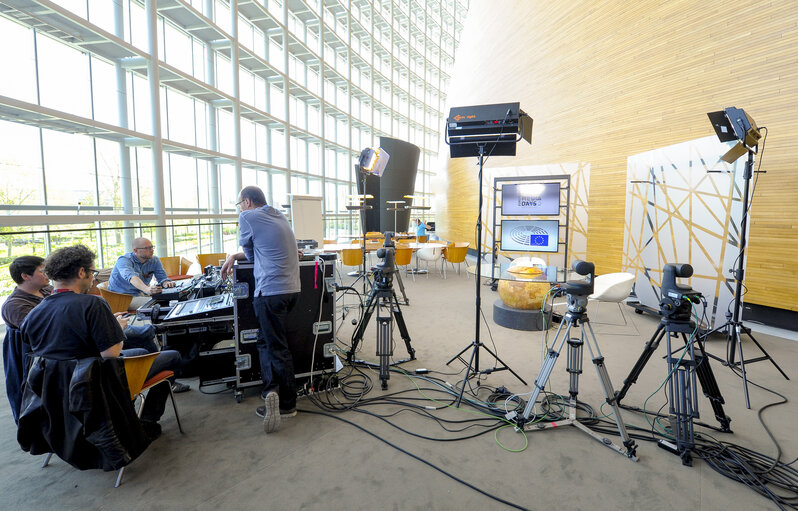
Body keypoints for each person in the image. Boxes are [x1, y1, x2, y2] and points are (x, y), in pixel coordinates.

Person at [20, 245, 182, 440]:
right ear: (81, 272)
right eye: (92, 272)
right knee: (172, 356)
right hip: (97, 381)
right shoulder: (93, 304)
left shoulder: (34, 313)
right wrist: (117, 328)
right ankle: (146, 421)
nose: (93, 278)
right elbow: (111, 354)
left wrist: (108, 324)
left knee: (139, 348)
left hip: (59, 389)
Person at [221, 185, 301, 433]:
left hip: (270, 292)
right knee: (266, 341)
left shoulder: (248, 216)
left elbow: (253, 256)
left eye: (239, 204)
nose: (240, 209)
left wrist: (234, 256)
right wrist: (235, 256)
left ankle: (287, 404)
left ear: (246, 202)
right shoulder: (278, 215)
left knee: (276, 347)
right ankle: (271, 392)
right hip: (292, 290)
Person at [2, 256, 51, 423]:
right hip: (30, 360)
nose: (47, 274)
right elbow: (41, 332)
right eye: (42, 271)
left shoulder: (47, 291)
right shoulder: (15, 305)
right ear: (25, 276)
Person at [108, 237, 175, 310]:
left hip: (140, 294)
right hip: (122, 298)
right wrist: (147, 289)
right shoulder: (124, 260)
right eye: (147, 248)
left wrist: (166, 282)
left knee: (173, 300)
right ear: (135, 250)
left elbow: (162, 278)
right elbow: (132, 278)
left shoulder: (154, 260)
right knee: (161, 304)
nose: (151, 250)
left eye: (152, 247)